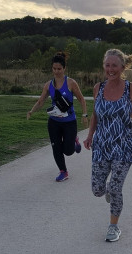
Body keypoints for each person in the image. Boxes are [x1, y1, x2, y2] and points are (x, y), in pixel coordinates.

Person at [83, 49, 132, 242]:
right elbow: (95, 114)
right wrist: (90, 135)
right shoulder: (98, 88)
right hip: (101, 146)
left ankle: (113, 227)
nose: (110, 69)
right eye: (107, 65)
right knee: (97, 190)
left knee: (115, 189)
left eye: (114, 65)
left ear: (123, 67)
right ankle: (108, 189)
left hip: (123, 147)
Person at [27, 52, 88, 182]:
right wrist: (31, 111)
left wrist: (84, 115)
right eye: (54, 69)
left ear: (64, 68)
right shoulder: (48, 85)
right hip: (54, 122)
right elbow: (41, 101)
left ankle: (74, 140)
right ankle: (63, 171)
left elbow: (82, 99)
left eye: (59, 69)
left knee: (68, 151)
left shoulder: (71, 83)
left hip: (69, 122)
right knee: (56, 147)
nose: (56, 71)